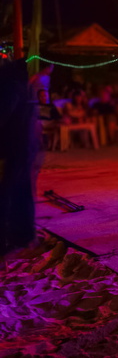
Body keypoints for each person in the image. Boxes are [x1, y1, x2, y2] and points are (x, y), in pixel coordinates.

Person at [0, 59, 38, 257]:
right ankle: (23, 236)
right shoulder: (23, 88)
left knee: (8, 194)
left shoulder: (11, 88)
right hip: (24, 146)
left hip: (16, 148)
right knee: (21, 192)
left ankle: (15, 238)